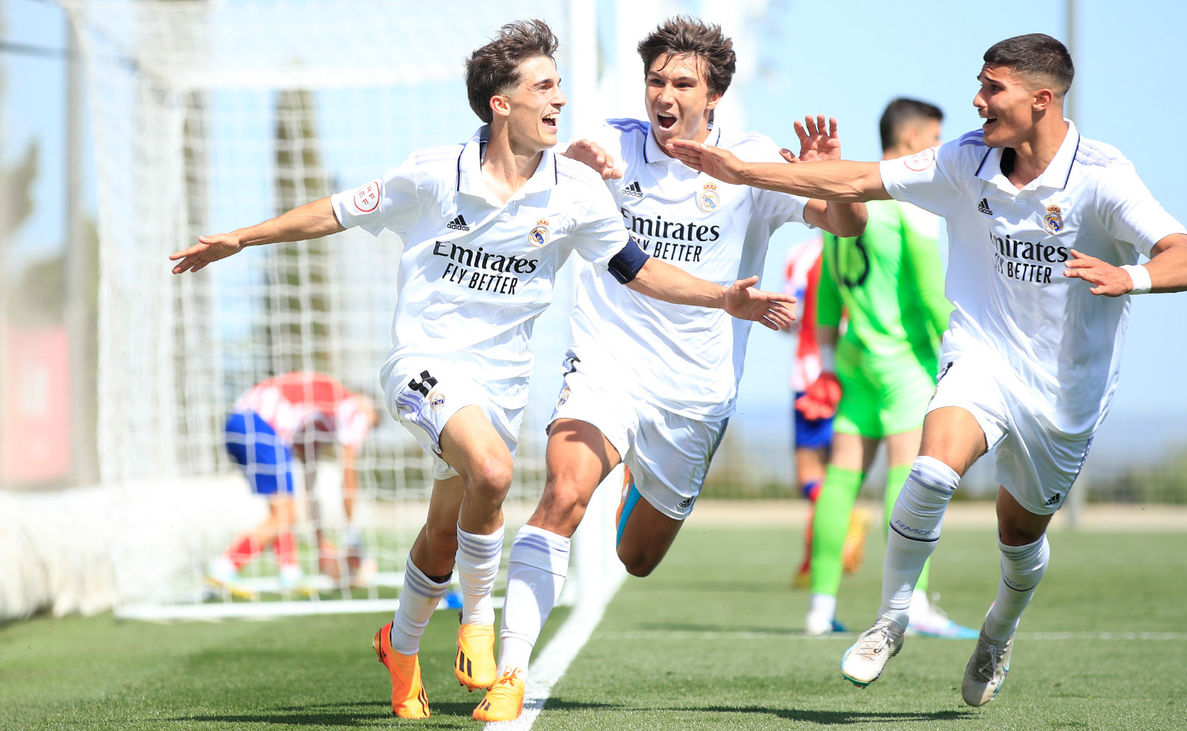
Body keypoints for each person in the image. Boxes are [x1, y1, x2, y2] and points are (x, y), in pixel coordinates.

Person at [170, 19, 795, 721]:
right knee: (498, 473)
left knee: (451, 531)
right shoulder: (436, 172)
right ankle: (481, 626)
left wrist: (724, 297)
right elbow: (335, 214)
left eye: (559, 87)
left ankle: (401, 646)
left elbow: (638, 270)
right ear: (502, 103)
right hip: (425, 364)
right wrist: (242, 237)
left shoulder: (578, 192)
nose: (560, 101)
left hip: (504, 384)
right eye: (545, 88)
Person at [669, 33, 1187, 706]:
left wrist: (1129, 276)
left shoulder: (1102, 175)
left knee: (1019, 537)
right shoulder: (966, 161)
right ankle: (890, 619)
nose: (977, 100)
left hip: (1065, 391)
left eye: (992, 87)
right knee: (930, 469)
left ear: (1041, 100)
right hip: (980, 357)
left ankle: (999, 629)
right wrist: (742, 171)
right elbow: (857, 179)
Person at [478, 16, 866, 722]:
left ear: (712, 96)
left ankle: (637, 482)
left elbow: (846, 225)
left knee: (638, 556)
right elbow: (527, 165)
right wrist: (572, 165)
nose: (664, 93)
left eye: (681, 83)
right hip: (606, 362)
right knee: (563, 494)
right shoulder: (612, 143)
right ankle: (509, 671)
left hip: (694, 392)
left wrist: (829, 177)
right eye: (656, 79)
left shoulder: (749, 162)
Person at [800, 98, 977, 640]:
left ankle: (819, 607)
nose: (940, 149)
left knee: (842, 479)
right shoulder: (909, 205)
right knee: (914, 478)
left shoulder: (848, 203)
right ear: (911, 139)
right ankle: (914, 603)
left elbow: (825, 292)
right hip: (904, 363)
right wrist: (971, 344)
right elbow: (928, 295)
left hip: (855, 362)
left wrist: (826, 364)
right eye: (935, 139)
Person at [207, 371, 379, 594]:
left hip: (237, 422)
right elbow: (348, 474)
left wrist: (320, 545)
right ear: (368, 407)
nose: (364, 431)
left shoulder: (315, 418)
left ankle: (289, 572)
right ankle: (224, 567)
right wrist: (351, 535)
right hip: (260, 424)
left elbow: (310, 487)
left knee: (283, 508)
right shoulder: (353, 408)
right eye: (369, 425)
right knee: (284, 515)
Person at [783, 236, 868, 594]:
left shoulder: (805, 253)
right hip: (862, 373)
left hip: (816, 373)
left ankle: (849, 519)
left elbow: (792, 314)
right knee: (843, 472)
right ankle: (810, 561)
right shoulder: (865, 245)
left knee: (811, 474)